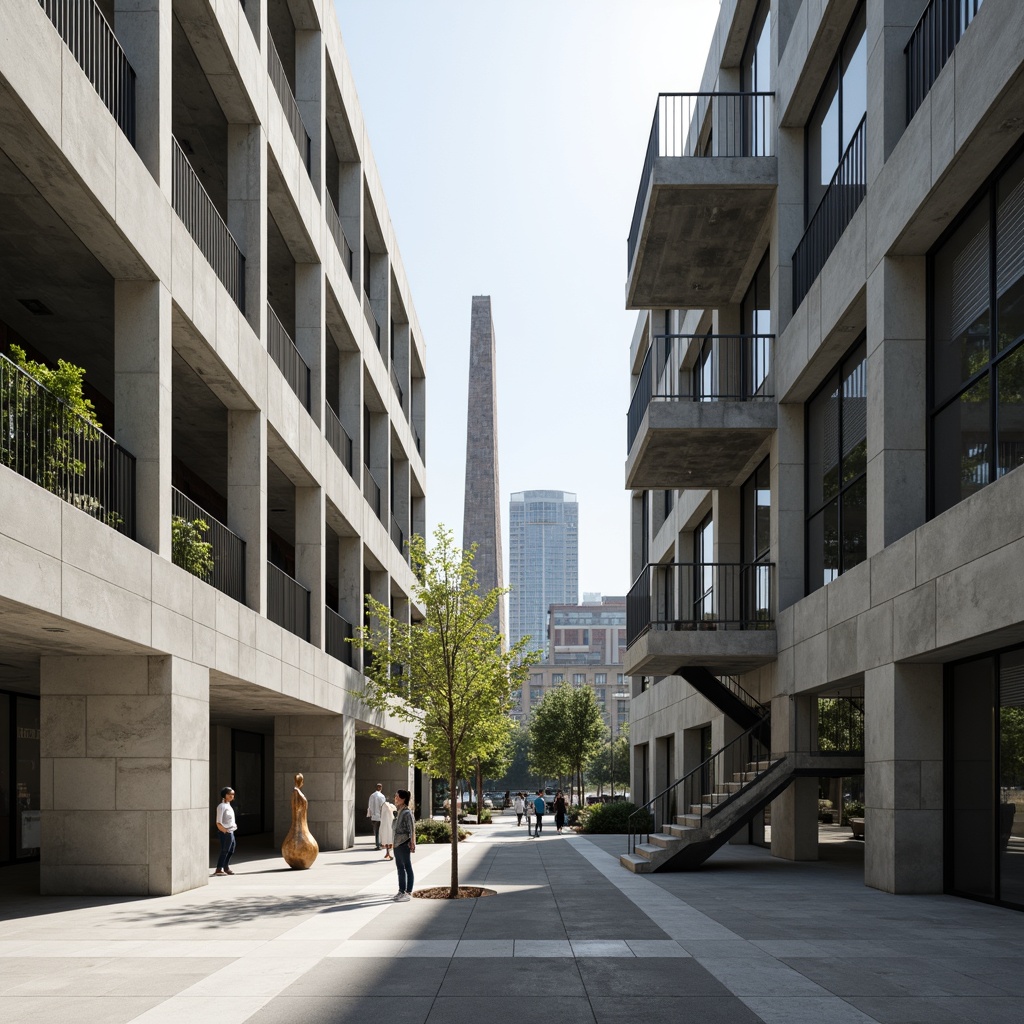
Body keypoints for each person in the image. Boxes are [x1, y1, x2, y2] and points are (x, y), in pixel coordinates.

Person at [392, 789, 416, 900]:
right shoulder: (399, 811)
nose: (395, 799)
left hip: (404, 843)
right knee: (399, 868)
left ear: (403, 799)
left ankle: (408, 892)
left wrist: (412, 843)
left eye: (397, 797)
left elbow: (412, 829)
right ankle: (401, 890)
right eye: (395, 796)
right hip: (396, 843)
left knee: (407, 866)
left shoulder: (407, 812)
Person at [214, 786, 237, 876]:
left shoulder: (228, 805)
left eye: (233, 794)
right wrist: (225, 831)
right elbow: (218, 822)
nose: (232, 796)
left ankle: (226, 867)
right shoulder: (221, 806)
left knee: (231, 850)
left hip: (231, 831)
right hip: (226, 832)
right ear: (225, 795)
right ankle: (219, 868)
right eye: (230, 794)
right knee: (225, 850)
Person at [367, 783, 386, 850]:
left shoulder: (372, 796)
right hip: (380, 816)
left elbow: (370, 806)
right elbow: (383, 806)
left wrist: (370, 815)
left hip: (374, 816)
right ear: (380, 788)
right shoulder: (382, 796)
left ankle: (377, 844)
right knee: (380, 830)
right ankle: (380, 843)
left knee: (376, 830)